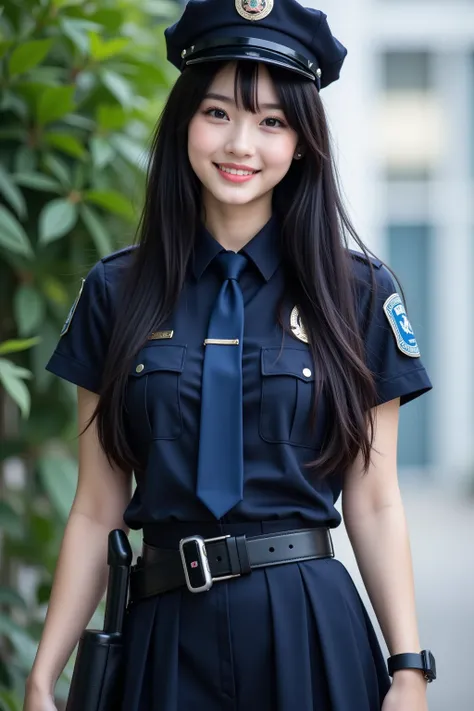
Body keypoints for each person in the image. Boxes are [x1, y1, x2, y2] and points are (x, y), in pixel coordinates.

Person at [24, 1, 436, 710]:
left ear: (303, 141)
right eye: (218, 112)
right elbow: (96, 508)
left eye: (272, 121)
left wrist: (408, 667)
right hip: (162, 632)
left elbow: (374, 497)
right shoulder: (115, 290)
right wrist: (43, 674)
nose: (241, 143)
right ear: (184, 120)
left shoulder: (359, 292)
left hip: (309, 626)